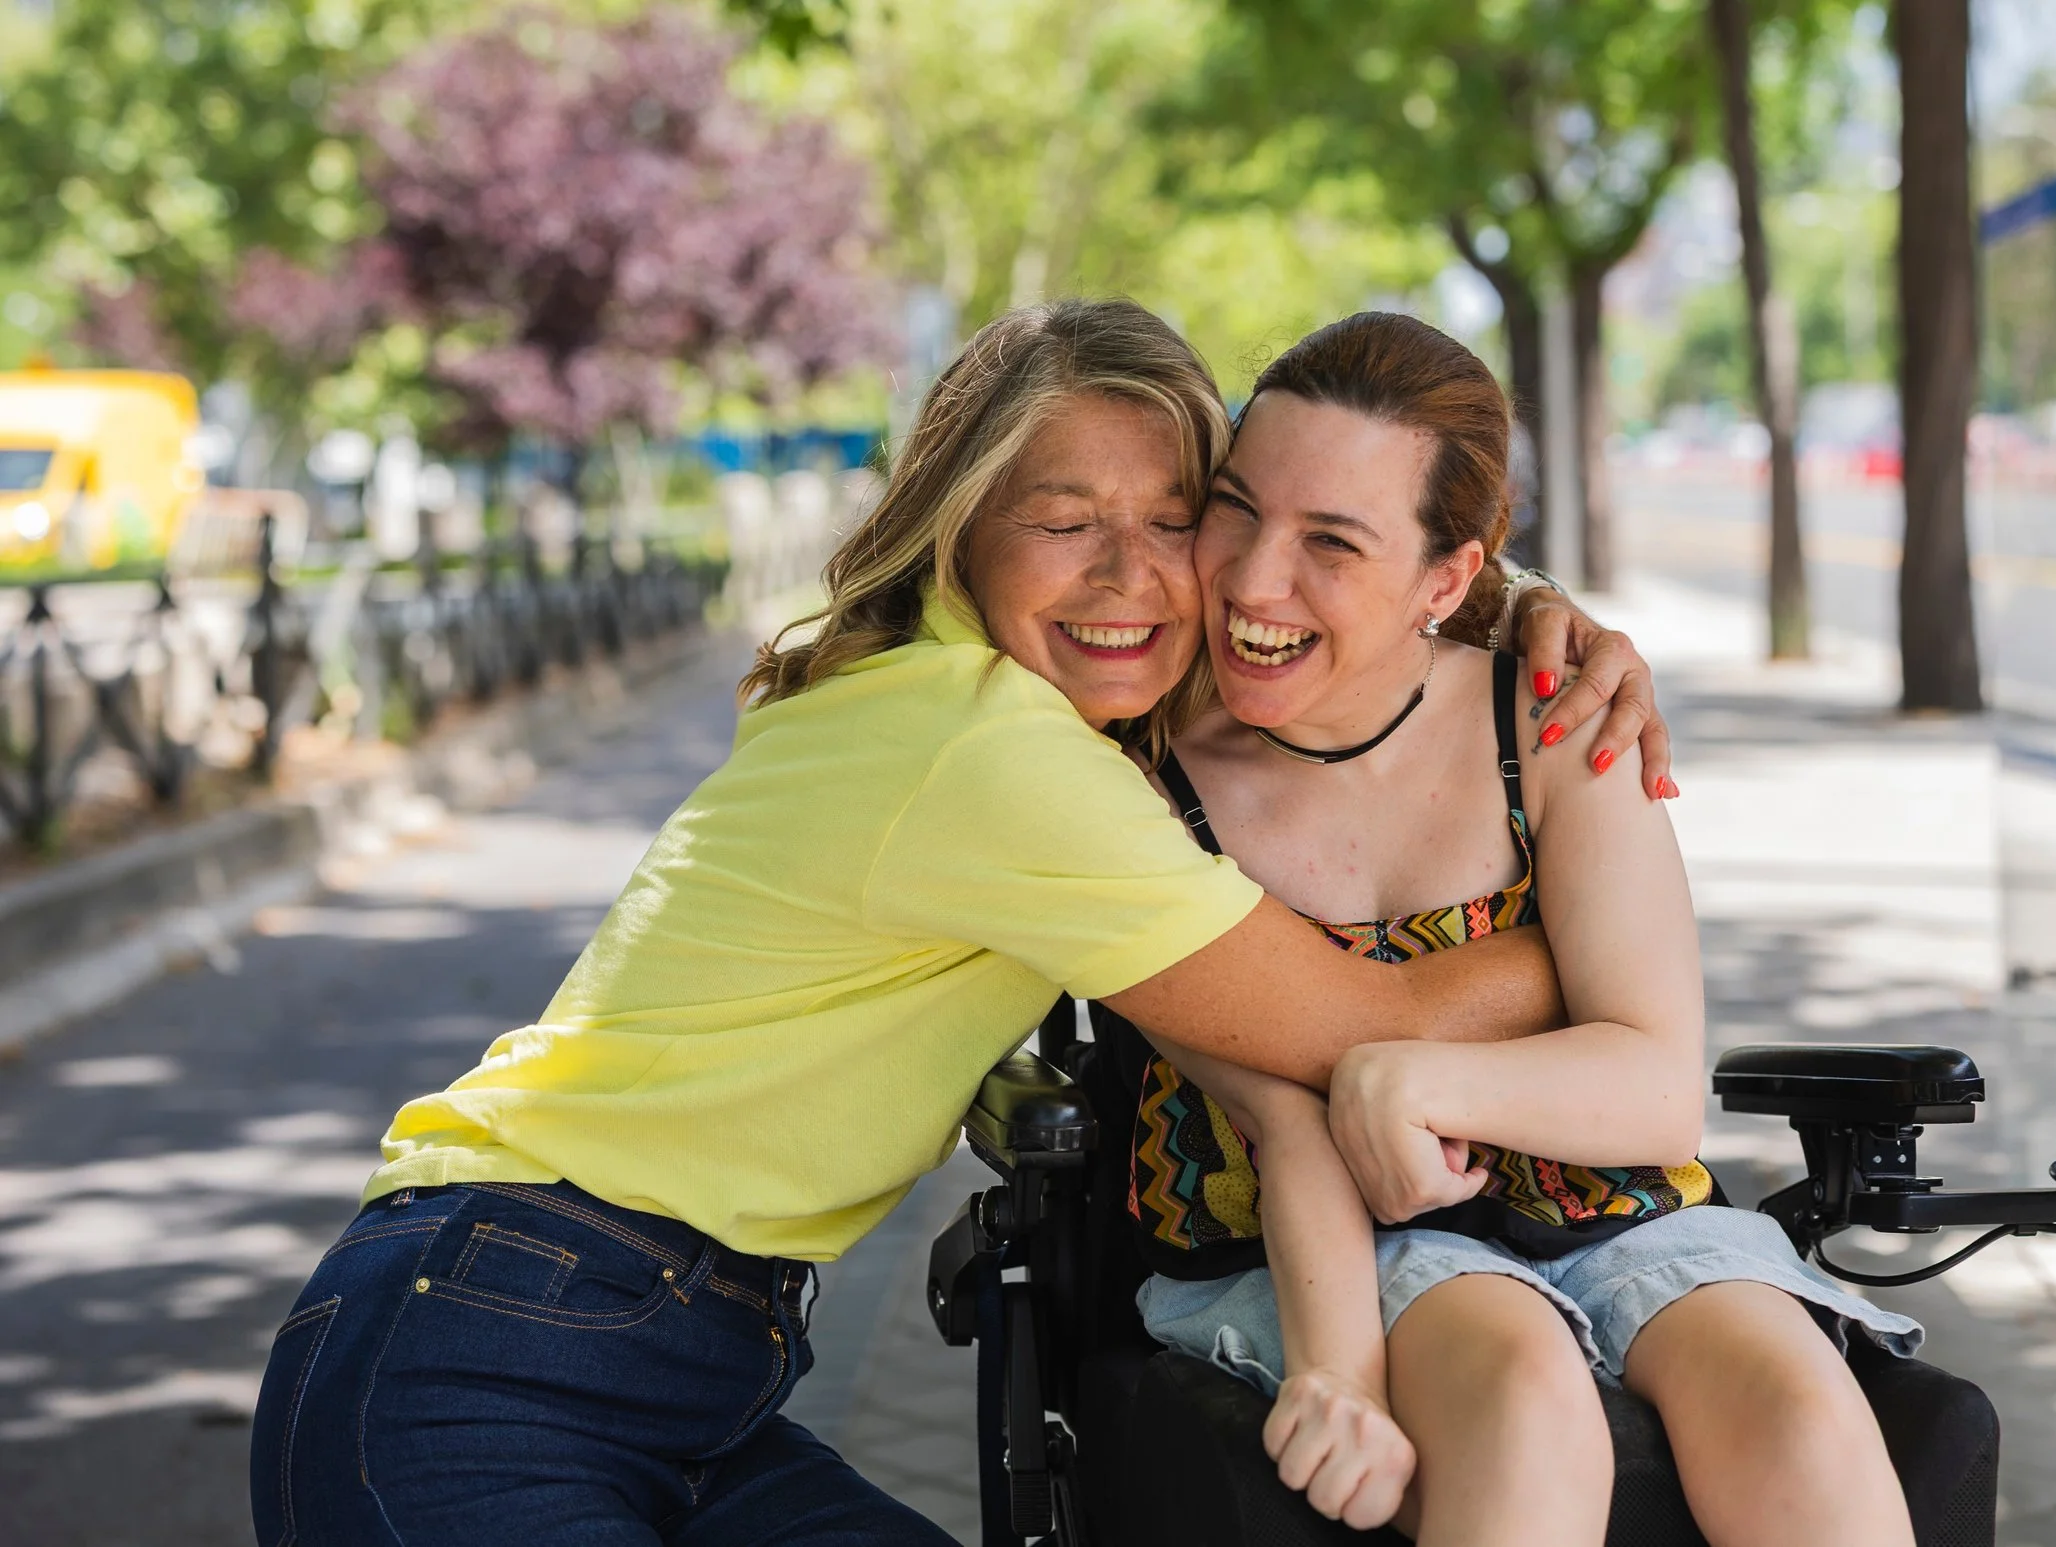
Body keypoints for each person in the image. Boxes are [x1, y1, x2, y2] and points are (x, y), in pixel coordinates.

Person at [247, 298, 1671, 1546]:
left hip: (666, 1358)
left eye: (1177, 520)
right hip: (492, 1351)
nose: (1131, 574)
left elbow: (1372, 609)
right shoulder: (990, 751)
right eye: (1063, 523)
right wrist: (1599, 935)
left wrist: (1528, 606)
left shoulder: (1010, 711)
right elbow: (1386, 1019)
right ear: (960, 530)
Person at [1109, 313, 1921, 1546]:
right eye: (1236, 508)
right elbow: (1284, 1116)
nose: (1253, 578)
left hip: (1622, 1211)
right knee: (1525, 1398)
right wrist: (1346, 1371)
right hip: (1311, 1242)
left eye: (1332, 539)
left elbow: (1653, 1089)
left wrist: (1401, 1076)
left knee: (1800, 1407)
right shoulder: (1134, 769)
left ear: (1446, 578)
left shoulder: (1546, 712)